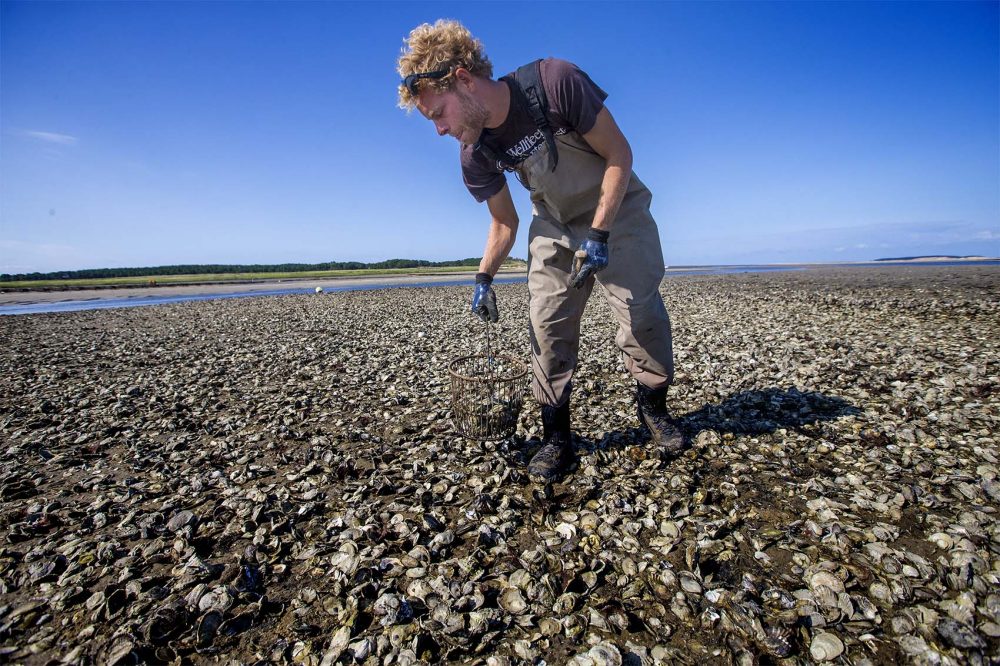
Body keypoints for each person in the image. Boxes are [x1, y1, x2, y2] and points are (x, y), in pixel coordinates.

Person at [397, 20, 683, 481]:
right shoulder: (475, 153)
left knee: (640, 314)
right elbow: (504, 222)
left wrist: (601, 233)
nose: (440, 129)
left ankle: (654, 408)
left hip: (618, 209)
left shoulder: (554, 83)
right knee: (546, 326)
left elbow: (619, 156)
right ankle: (557, 437)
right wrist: (483, 278)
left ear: (463, 79)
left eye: (438, 114)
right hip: (552, 224)